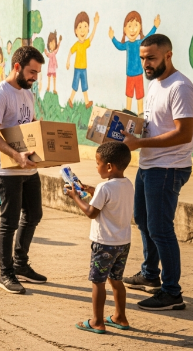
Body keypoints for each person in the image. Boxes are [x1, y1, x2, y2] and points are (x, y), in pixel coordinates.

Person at [121, 33, 193, 311]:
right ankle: (150, 274)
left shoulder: (181, 87)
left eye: (151, 58)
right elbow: (155, 124)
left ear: (168, 55)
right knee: (142, 219)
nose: (145, 64)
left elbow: (184, 134)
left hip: (168, 167)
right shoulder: (155, 84)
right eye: (142, 58)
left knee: (160, 228)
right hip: (149, 164)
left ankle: (172, 292)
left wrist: (139, 142)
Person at [0, 46, 47, 294]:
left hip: (28, 167)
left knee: (34, 214)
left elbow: (26, 125)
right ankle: (5, 273)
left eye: (38, 72)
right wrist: (14, 155)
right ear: (17, 67)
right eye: (32, 71)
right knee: (9, 222)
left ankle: (21, 265)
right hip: (6, 169)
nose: (35, 77)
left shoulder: (28, 94)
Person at [65, 142, 133, 334]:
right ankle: (120, 317)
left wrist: (75, 197)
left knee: (98, 282)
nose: (96, 167)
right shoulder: (127, 184)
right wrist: (90, 190)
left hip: (104, 244)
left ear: (109, 166)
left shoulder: (104, 188)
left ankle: (97, 321)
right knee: (116, 280)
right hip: (123, 243)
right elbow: (112, 198)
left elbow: (91, 212)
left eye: (98, 163)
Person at [109, 11, 160, 115]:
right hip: (129, 75)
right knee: (129, 95)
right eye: (129, 26)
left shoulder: (139, 43)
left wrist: (155, 27)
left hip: (139, 74)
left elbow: (148, 37)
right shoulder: (127, 45)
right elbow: (119, 46)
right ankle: (127, 113)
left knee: (139, 96)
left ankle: (140, 114)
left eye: (136, 25)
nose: (132, 29)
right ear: (125, 29)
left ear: (140, 28)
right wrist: (112, 38)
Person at [66, 11, 99, 108]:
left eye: (85, 26)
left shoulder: (85, 43)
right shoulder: (77, 44)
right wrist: (68, 61)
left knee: (85, 86)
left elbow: (91, 36)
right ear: (75, 31)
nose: (82, 30)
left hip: (84, 68)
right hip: (77, 69)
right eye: (80, 27)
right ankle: (70, 100)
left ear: (88, 28)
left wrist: (95, 24)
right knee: (75, 86)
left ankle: (86, 102)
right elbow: (70, 51)